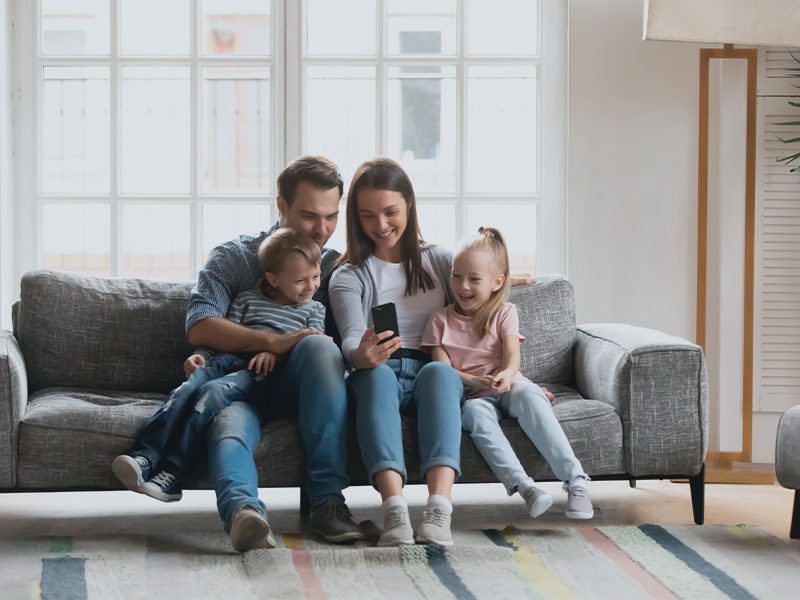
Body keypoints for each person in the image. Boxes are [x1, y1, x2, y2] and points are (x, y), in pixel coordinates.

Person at [184, 155, 364, 552]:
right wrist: (268, 342)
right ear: (281, 206)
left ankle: (328, 504)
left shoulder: (335, 268)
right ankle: (244, 514)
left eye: (332, 217)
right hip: (242, 388)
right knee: (227, 426)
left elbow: (406, 268)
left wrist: (489, 282)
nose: (322, 230)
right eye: (310, 215)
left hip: (308, 388)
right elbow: (199, 323)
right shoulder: (236, 257)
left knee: (318, 343)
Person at [112, 228, 325, 536]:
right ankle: (145, 455)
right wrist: (200, 355)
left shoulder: (314, 310)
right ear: (274, 278)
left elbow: (312, 349)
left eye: (315, 277)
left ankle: (173, 471)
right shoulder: (247, 299)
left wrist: (275, 354)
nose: (311, 287)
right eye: (301, 280)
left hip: (259, 375)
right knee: (192, 384)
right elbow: (225, 335)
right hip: (227, 360)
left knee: (210, 393)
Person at [329, 157, 465, 547]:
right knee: (372, 377)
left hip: (429, 369)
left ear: (409, 205)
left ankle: (439, 508)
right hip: (380, 370)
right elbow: (351, 337)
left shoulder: (439, 261)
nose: (381, 225)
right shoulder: (349, 275)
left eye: (391, 212)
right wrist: (360, 356)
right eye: (368, 215)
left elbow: (477, 301)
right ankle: (395, 510)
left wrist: (499, 285)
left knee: (441, 373)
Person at [421, 227, 594, 520]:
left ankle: (576, 480)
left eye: (474, 279)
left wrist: (506, 374)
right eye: (456, 275)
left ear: (496, 282)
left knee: (528, 393)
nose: (462, 286)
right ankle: (525, 487)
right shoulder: (440, 320)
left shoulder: (504, 312)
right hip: (474, 395)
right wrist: (474, 381)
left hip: (508, 384)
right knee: (474, 415)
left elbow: (513, 357)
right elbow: (442, 369)